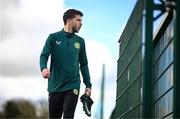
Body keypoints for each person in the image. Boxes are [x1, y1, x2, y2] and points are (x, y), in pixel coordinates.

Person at [39, 9, 92, 119]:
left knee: (68, 116)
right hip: (55, 86)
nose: (81, 23)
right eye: (78, 20)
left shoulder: (80, 41)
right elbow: (44, 55)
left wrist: (88, 85)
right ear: (69, 20)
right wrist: (43, 68)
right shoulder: (53, 38)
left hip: (73, 85)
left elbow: (84, 65)